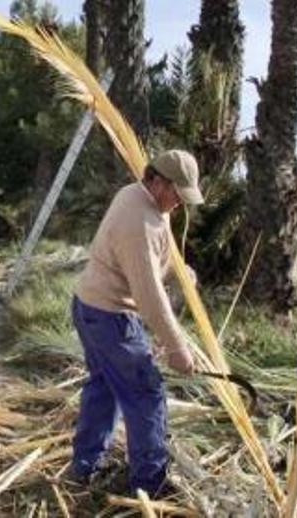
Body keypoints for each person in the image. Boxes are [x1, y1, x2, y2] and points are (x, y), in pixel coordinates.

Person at [68, 149, 205, 496]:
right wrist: (177, 347)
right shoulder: (138, 221)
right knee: (147, 393)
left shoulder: (142, 198)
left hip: (89, 307)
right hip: (111, 316)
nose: (179, 204)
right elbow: (148, 295)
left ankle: (85, 467)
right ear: (157, 180)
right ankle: (149, 484)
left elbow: (162, 252)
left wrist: (180, 272)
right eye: (176, 194)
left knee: (104, 387)